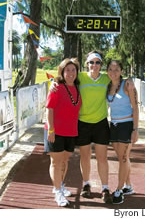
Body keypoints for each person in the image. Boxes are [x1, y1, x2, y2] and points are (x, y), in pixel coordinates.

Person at [50, 51, 112, 204]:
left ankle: (105, 188)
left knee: (102, 158)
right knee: (84, 157)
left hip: (101, 123)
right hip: (82, 124)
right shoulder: (80, 78)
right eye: (92, 62)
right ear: (86, 64)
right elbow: (63, 76)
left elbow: (119, 79)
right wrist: (53, 82)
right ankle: (86, 184)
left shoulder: (106, 78)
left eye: (98, 62)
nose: (94, 65)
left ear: (101, 65)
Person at [46, 58, 81, 207]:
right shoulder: (56, 87)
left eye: (73, 70)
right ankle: (57, 191)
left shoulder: (78, 87)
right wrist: (51, 130)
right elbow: (49, 109)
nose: (71, 73)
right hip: (56, 131)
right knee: (56, 161)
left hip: (71, 131)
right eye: (67, 70)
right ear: (62, 71)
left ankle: (60, 185)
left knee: (65, 161)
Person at [106, 60, 139, 204]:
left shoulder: (127, 85)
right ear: (107, 71)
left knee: (124, 158)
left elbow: (135, 108)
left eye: (117, 69)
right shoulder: (107, 86)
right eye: (111, 69)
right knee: (122, 158)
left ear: (121, 71)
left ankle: (119, 189)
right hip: (113, 125)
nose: (113, 72)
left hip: (127, 125)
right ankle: (129, 185)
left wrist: (135, 130)